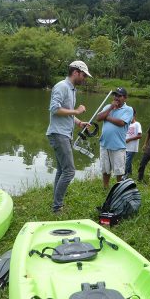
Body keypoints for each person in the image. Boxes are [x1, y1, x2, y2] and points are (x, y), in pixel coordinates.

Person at [46, 60, 91, 214]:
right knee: (70, 171)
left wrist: (78, 122)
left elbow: (66, 112)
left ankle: (56, 204)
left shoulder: (72, 89)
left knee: (61, 170)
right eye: (83, 75)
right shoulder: (62, 86)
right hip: (59, 134)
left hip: (65, 133)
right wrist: (77, 112)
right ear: (76, 72)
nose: (84, 78)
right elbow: (54, 109)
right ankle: (57, 207)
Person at [96, 87, 134, 189]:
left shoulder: (128, 109)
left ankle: (119, 190)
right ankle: (105, 188)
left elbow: (121, 123)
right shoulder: (108, 106)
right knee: (105, 169)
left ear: (125, 98)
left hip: (118, 146)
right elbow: (98, 118)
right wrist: (110, 108)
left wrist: (106, 117)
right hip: (104, 144)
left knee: (119, 172)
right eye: (115, 95)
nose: (116, 97)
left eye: (119, 96)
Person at [124, 109, 142, 177]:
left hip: (132, 148)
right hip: (125, 146)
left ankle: (124, 175)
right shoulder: (126, 124)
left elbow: (140, 135)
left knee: (126, 162)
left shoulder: (137, 124)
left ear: (134, 115)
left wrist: (129, 139)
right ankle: (130, 174)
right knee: (128, 161)